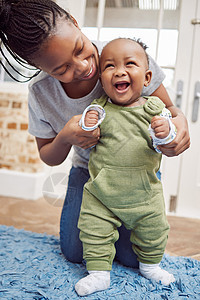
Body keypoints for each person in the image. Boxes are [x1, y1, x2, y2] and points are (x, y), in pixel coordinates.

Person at [0, 0, 190, 269]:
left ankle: (119, 230)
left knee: (134, 257)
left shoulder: (124, 56)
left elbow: (170, 109)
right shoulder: (42, 93)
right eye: (62, 69)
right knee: (76, 252)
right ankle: (106, 227)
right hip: (89, 172)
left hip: (136, 171)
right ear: (42, 69)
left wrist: (179, 125)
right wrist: (66, 136)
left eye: (80, 48)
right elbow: (48, 156)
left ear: (76, 23)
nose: (82, 66)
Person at [75, 38, 176, 296]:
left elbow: (168, 140)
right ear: (101, 79)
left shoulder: (154, 109)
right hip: (102, 193)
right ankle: (98, 273)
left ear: (147, 77)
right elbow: (86, 131)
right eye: (109, 66)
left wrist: (165, 133)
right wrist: (88, 121)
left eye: (130, 64)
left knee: (155, 229)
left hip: (144, 193)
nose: (119, 71)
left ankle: (151, 265)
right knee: (92, 228)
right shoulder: (99, 109)